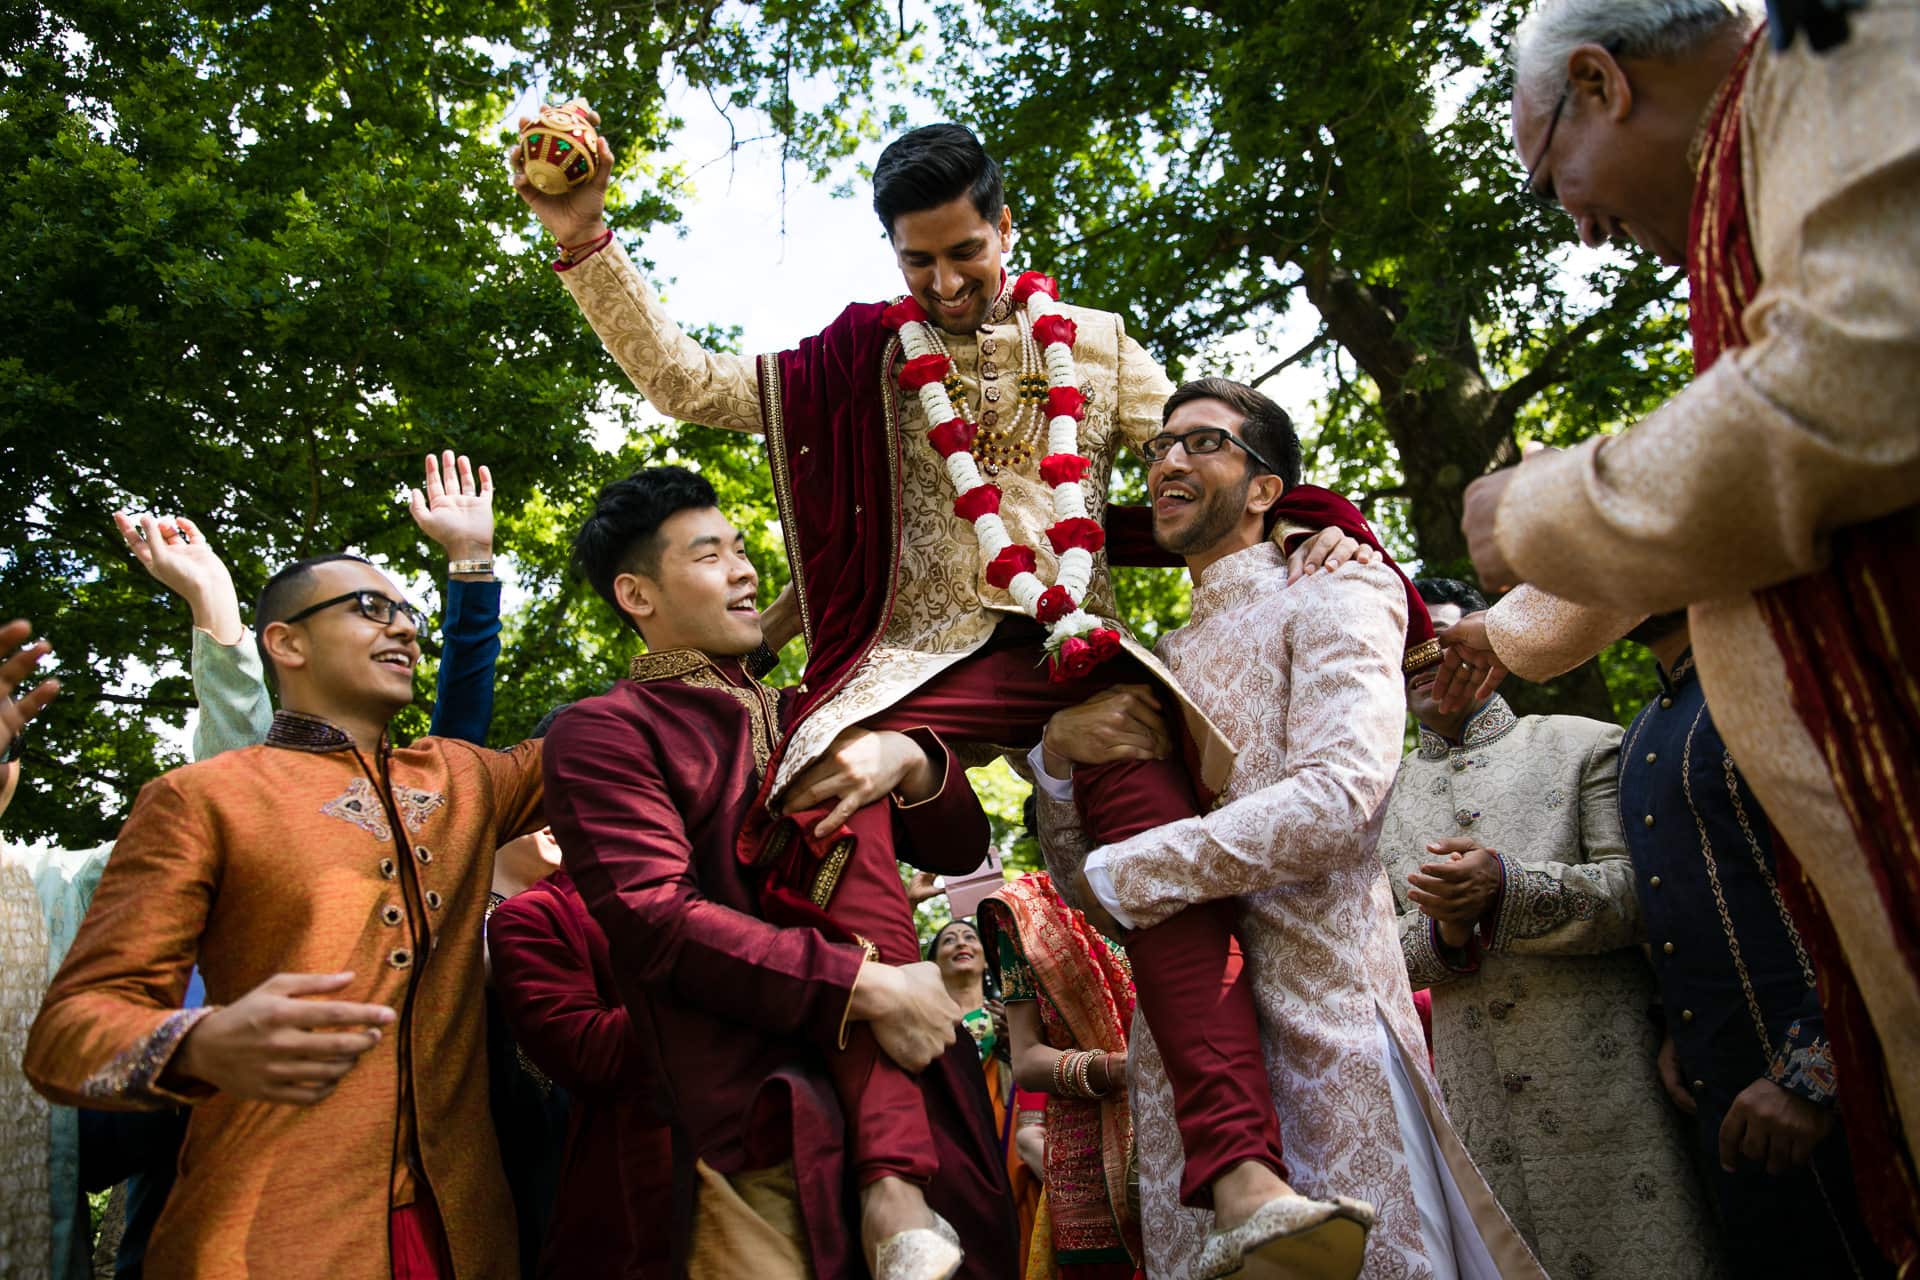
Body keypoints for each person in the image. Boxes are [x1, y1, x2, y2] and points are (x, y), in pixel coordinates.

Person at [516, 113, 1383, 1268]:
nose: (944, 281)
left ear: (1005, 225)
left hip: (1074, 642)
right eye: (916, 260)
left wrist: (1318, 520)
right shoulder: (861, 354)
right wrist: (581, 237)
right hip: (915, 660)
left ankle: (1241, 1182)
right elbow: (683, 380)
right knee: (843, 780)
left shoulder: (1098, 341)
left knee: (1160, 852)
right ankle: (895, 1192)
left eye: (963, 252)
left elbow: (1195, 462)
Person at [1456, 2, 1920, 1263]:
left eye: (1557, 185)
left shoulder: (1845, 50)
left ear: (1601, 82)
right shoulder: (1760, 172)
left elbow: (1858, 379)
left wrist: (1538, 505)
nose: (1586, 228)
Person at [1031, 378, 1542, 1279]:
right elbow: (1091, 884)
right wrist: (1061, 762)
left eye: (1202, 444)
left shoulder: (1336, 591)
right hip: (1189, 1082)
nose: (1168, 462)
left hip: (1327, 1028)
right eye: (1159, 448)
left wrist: (1133, 871)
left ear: (1267, 489)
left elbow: (1340, 802)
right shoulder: (1154, 663)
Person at [539, 466, 1017, 1280]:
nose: (744, 568)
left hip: (924, 1092)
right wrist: (865, 986)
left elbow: (954, 844)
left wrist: (906, 756)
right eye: (708, 554)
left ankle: (896, 1183)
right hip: (753, 1119)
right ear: (637, 595)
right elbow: (654, 919)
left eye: (740, 548)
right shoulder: (604, 730)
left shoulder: (817, 711)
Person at [25, 538, 546, 1278]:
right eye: (370, 607)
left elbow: (629, 735)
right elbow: (65, 1040)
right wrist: (201, 1044)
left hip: (467, 1239)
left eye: (407, 612)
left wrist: (759, 619)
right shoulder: (201, 799)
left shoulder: (466, 777)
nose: (403, 627)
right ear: (286, 641)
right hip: (262, 1240)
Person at [1380, 578, 1720, 1276]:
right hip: (1477, 1117)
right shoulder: (1373, 800)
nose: (1422, 659)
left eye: (1439, 639)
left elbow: (1643, 895)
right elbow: (1371, 955)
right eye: (1403, 647)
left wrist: (1508, 888)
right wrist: (1444, 933)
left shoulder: (1586, 745)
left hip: (1617, 1092)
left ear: (1490, 648)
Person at [1621, 611, 1890, 1277]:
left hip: (1852, 1091)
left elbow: (1872, 873)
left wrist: (1810, 1072)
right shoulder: (1638, 735)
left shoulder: (1777, 675)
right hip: (1728, 1110)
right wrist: (1675, 1031)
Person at [979, 872, 1140, 1280]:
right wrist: (1114, 1068)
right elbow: (1027, 1058)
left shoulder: (1159, 870)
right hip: (1091, 1169)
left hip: (1193, 1123)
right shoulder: (1025, 914)